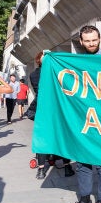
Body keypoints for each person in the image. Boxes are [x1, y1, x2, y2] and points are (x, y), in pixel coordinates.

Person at [60, 25, 101, 203]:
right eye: (87, 40)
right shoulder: (75, 61)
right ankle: (84, 201)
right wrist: (49, 58)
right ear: (81, 42)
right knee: (82, 162)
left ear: (99, 39)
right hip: (82, 119)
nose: (91, 43)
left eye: (94, 40)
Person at [29, 51, 75, 179]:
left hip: (42, 110)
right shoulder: (57, 72)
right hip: (57, 109)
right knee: (61, 137)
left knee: (42, 138)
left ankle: (41, 170)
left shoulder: (33, 75)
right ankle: (67, 167)